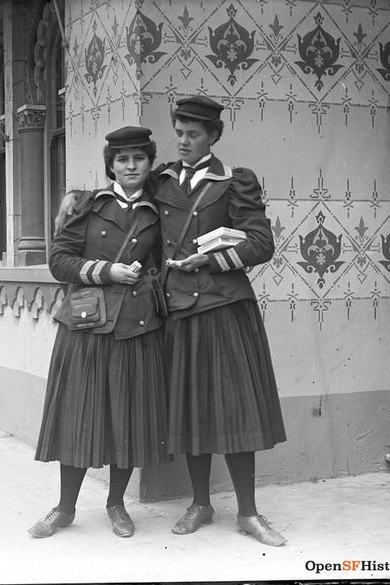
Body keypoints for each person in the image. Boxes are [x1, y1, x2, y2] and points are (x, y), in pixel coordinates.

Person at [152, 95, 287, 546]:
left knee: (235, 410)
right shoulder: (161, 181)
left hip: (224, 307)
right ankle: (200, 504)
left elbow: (261, 245)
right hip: (179, 312)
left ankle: (248, 512)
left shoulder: (234, 182)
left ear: (213, 136)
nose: (184, 141)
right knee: (191, 410)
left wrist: (207, 262)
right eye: (180, 133)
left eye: (193, 134)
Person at [29, 126, 169, 539]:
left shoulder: (157, 213)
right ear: (111, 165)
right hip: (86, 327)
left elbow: (165, 264)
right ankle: (65, 507)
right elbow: (59, 261)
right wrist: (106, 271)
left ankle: (116, 504)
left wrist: (147, 283)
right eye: (122, 159)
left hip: (134, 328)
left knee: (128, 418)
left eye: (139, 158)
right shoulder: (87, 206)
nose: (130, 165)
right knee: (77, 416)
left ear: (148, 164)